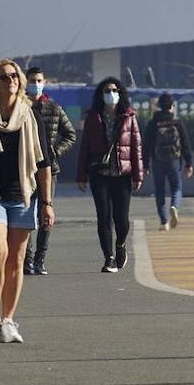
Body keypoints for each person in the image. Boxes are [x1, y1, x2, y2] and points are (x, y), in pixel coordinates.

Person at [0, 60, 55, 344]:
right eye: (3, 77)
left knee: (16, 260)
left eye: (14, 76)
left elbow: (43, 162)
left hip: (23, 195)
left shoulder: (30, 116)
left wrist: (46, 202)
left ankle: (9, 319)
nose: (11, 80)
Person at [75, 77, 144, 273]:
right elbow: (84, 147)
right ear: (101, 95)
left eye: (114, 90)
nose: (111, 94)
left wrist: (138, 176)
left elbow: (136, 148)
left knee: (121, 219)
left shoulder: (129, 117)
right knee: (103, 217)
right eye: (107, 91)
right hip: (100, 174)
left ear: (120, 93)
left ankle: (121, 244)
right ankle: (109, 258)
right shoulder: (93, 117)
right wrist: (81, 175)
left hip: (122, 175)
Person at [23, 66, 76, 276]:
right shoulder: (20, 108)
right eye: (32, 80)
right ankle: (25, 259)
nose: (35, 84)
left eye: (38, 80)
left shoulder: (54, 108)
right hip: (24, 169)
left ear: (44, 83)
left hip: (48, 169)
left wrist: (55, 151)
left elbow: (70, 134)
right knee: (24, 215)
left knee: (46, 213)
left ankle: (40, 259)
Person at [143, 92, 194, 232]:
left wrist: (145, 165)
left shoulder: (153, 123)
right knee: (176, 188)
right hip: (174, 160)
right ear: (172, 106)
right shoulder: (177, 123)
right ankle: (174, 206)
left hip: (157, 160)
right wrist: (189, 163)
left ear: (159, 107)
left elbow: (146, 144)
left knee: (159, 191)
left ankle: (164, 222)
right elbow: (185, 144)